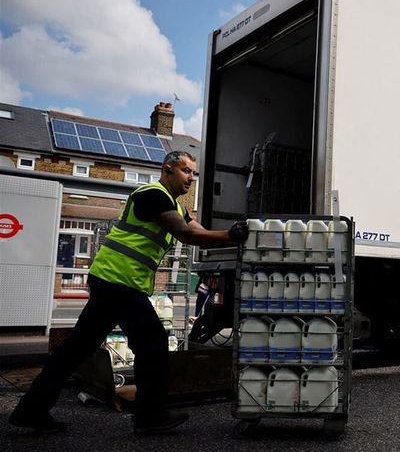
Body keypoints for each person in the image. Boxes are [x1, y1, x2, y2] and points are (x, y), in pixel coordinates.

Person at [9, 151, 249, 435]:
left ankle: (31, 409)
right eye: (186, 171)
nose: (191, 178)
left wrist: (230, 236)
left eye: (194, 173)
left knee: (77, 349)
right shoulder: (152, 194)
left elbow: (199, 229)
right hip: (118, 281)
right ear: (168, 169)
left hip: (112, 280)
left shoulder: (174, 203)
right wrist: (231, 236)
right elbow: (186, 234)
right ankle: (150, 417)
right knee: (152, 342)